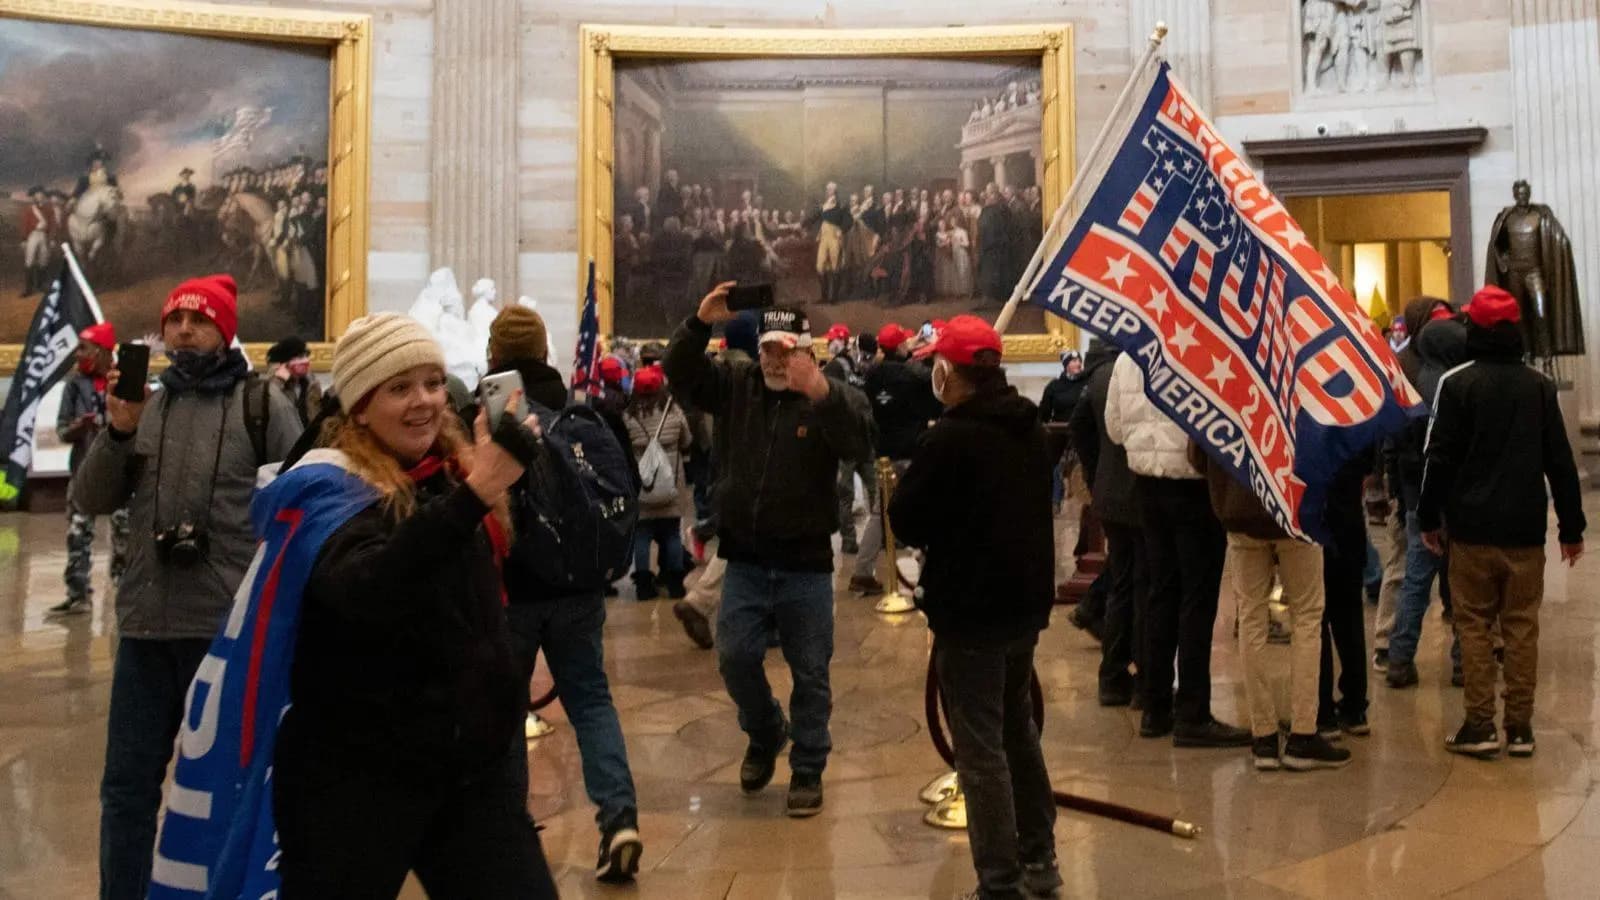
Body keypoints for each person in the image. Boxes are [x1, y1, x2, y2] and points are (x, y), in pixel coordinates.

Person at [270, 312, 557, 896]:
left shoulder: (449, 469)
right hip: (360, 778)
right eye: (399, 388)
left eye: (431, 382)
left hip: (471, 770)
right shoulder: (328, 488)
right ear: (358, 406)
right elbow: (369, 588)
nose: (424, 402)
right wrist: (477, 495)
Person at [72, 274, 300, 900]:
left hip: (225, 633)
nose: (182, 331)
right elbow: (88, 497)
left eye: (197, 320)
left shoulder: (261, 404)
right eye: (174, 320)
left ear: (223, 330)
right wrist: (118, 432)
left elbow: (299, 496)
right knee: (126, 789)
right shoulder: (141, 404)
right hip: (146, 628)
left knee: (227, 786)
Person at [664, 289, 871, 817]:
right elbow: (680, 373)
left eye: (786, 349)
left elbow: (860, 442)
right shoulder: (737, 386)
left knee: (810, 670)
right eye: (768, 349)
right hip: (747, 559)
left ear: (806, 350)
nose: (776, 360)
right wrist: (698, 322)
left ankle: (807, 768)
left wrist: (822, 392)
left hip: (804, 561)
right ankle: (764, 731)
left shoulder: (830, 395)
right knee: (734, 658)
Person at [889, 316, 1060, 900]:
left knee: (980, 748)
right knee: (1019, 733)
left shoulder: (951, 438)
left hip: (971, 612)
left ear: (950, 373)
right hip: (1022, 606)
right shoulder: (1027, 423)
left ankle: (999, 881)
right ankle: (1041, 858)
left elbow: (907, 517)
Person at [486, 305, 644, 882]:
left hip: (513, 593)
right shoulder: (587, 415)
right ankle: (620, 820)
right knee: (592, 702)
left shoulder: (492, 415)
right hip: (579, 589)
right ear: (547, 349)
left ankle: (509, 836)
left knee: (503, 713)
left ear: (494, 356)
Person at [1419, 286, 1586, 759]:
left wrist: (1428, 517)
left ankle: (1479, 725)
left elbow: (1439, 459)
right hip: (1525, 532)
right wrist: (1571, 529)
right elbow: (1561, 461)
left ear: (1479, 329)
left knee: (1472, 625)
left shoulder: (1457, 384)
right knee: (1521, 626)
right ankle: (1520, 728)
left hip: (1471, 532)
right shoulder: (1537, 386)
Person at [1105, 353, 1249, 747]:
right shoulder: (1200, 350)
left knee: (1160, 593)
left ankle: (1154, 707)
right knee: (1197, 601)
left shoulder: (1127, 355)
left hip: (1147, 486)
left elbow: (1115, 429)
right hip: (1193, 488)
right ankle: (1192, 712)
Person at [1192, 442, 1348, 771]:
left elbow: (1197, 452)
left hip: (1240, 512)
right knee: (1306, 617)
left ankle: (1263, 737)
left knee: (1251, 619)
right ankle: (1304, 734)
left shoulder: (1226, 388)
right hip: (1295, 510)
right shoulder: (1302, 390)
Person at [1386, 307, 1468, 689]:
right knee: (1463, 586)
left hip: (1418, 497)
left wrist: (1403, 500)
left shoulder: (1411, 386)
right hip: (1460, 500)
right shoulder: (1462, 387)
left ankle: (1400, 659)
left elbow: (1397, 448)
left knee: (1416, 583)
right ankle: (1463, 664)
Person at [672, 313, 759, 649]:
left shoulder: (717, 372)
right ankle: (701, 602)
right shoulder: (744, 376)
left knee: (740, 545)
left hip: (722, 468)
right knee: (744, 545)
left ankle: (704, 603)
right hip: (744, 470)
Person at [1069, 342, 1142, 707]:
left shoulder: (1098, 376)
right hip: (1141, 493)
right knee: (1143, 586)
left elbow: (1079, 425)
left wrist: (1096, 470)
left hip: (1111, 492)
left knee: (1123, 583)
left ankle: (1114, 677)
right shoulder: (1139, 368)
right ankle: (1135, 675)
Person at [851, 323, 941, 595]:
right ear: (901, 345)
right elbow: (934, 402)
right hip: (911, 451)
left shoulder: (871, 375)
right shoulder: (912, 376)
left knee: (880, 514)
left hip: (882, 451)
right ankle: (929, 572)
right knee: (925, 510)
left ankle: (862, 573)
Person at [51, 322, 129, 615]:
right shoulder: (74, 384)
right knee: (78, 533)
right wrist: (78, 426)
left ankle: (122, 593)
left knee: (124, 536)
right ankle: (77, 594)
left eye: (84, 348)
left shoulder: (127, 379)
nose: (78, 354)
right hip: (84, 472)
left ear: (103, 351)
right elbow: (61, 431)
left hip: (121, 475)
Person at [626, 364, 692, 600]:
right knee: (672, 534)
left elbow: (624, 449)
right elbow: (687, 440)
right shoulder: (673, 412)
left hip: (643, 486)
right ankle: (675, 584)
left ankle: (643, 585)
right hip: (671, 484)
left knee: (642, 536)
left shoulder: (629, 416)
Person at [267, 335, 324, 428]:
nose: (305, 360)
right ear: (285, 362)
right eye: (299, 357)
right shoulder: (273, 385)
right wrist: (279, 382)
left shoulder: (312, 384)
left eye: (306, 355)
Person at [19, 185, 54, 297]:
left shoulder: (48, 209)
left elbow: (52, 225)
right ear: (34, 196)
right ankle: (29, 288)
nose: (39, 196)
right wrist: (24, 239)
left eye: (41, 194)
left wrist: (51, 239)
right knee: (29, 260)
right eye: (37, 195)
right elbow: (25, 224)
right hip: (33, 235)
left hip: (43, 235)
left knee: (43, 260)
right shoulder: (29, 209)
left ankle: (41, 285)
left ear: (43, 196)